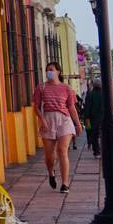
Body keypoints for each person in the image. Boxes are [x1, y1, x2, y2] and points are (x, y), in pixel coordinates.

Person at [34, 62, 81, 193]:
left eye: (51, 69)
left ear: (58, 72)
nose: (49, 72)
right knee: (50, 155)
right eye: (47, 70)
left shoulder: (67, 88)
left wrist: (77, 124)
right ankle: (51, 173)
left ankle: (65, 183)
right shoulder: (41, 88)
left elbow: (71, 107)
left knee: (62, 150)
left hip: (64, 120)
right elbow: (36, 107)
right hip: (48, 119)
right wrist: (42, 120)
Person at [85, 79, 104, 158]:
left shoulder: (90, 94)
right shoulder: (105, 93)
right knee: (105, 135)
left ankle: (96, 152)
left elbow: (87, 107)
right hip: (104, 118)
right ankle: (106, 151)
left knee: (94, 136)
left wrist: (86, 118)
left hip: (93, 119)